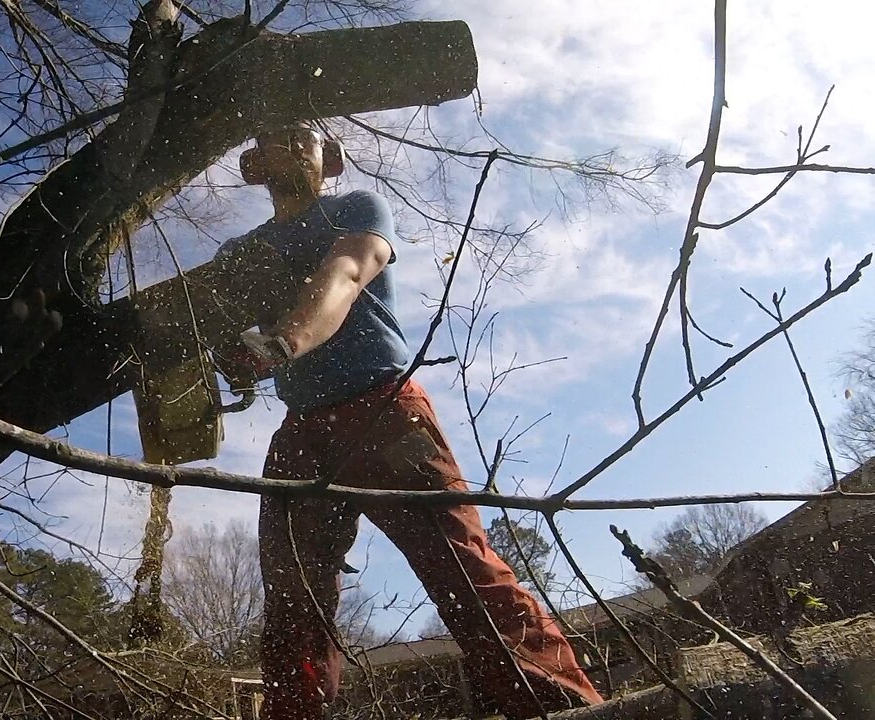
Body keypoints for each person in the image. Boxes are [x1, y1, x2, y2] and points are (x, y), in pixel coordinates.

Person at [216, 122, 604, 719]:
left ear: (331, 159)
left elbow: (344, 274)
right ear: (254, 164)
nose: (290, 143)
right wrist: (217, 355)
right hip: (301, 429)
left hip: (384, 410)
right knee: (293, 600)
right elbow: (208, 317)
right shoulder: (240, 253)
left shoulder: (356, 209)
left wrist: (284, 340)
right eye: (275, 137)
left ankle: (561, 708)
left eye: (306, 135)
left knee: (461, 569)